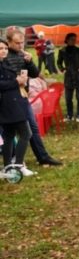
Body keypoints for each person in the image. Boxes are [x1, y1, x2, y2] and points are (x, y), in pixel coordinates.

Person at [6, 28, 61, 165]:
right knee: (9, 132)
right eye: (17, 43)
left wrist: (29, 61)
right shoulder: (4, 56)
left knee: (32, 127)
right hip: (8, 98)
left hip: (23, 97)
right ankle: (12, 160)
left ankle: (42, 156)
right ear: (9, 42)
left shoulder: (23, 55)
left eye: (22, 43)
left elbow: (35, 74)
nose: (20, 46)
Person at [0, 39, 32, 174]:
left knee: (9, 135)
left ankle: (8, 167)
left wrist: (21, 81)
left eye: (5, 48)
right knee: (26, 133)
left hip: (12, 102)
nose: (4, 51)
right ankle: (18, 165)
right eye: (1, 48)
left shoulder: (5, 62)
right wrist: (16, 81)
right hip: (8, 104)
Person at [56, 32, 79, 124]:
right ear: (67, 40)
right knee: (68, 97)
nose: (74, 41)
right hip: (68, 77)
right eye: (72, 39)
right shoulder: (62, 51)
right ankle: (69, 115)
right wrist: (62, 69)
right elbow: (59, 62)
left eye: (75, 39)